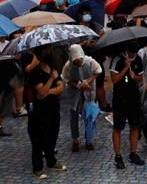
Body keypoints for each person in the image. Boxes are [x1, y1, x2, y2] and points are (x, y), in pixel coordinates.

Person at [26, 46, 67, 179]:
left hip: (53, 107)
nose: (50, 52)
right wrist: (51, 80)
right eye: (46, 50)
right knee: (38, 139)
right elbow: (41, 92)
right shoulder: (35, 72)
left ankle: (51, 161)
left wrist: (48, 91)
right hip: (39, 111)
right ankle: (37, 167)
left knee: (52, 134)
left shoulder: (53, 68)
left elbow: (61, 87)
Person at [109, 42, 146, 169]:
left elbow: (141, 77)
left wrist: (134, 76)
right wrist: (125, 68)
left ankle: (133, 153)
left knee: (135, 125)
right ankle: (118, 156)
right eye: (130, 53)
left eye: (134, 53)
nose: (132, 55)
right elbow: (114, 80)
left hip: (133, 97)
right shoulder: (117, 60)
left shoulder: (139, 59)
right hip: (120, 97)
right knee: (118, 127)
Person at [61, 44, 101, 152]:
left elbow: (98, 71)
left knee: (90, 115)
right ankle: (75, 139)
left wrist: (88, 81)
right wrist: (78, 85)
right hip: (74, 91)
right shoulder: (68, 66)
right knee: (74, 115)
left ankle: (89, 140)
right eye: (76, 61)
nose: (78, 62)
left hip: (88, 91)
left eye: (79, 60)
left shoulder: (89, 62)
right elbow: (65, 78)